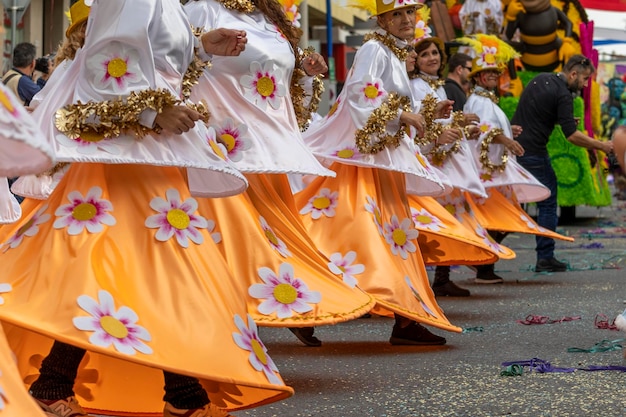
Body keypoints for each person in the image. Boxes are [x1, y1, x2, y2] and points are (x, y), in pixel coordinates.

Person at [0, 2, 295, 417]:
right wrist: (155, 113)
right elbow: (104, 64)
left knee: (131, 269)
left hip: (148, 156)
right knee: (160, 266)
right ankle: (180, 395)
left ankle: (60, 384)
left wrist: (200, 47)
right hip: (129, 159)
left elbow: (151, 59)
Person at [182, 0, 375, 348]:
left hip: (265, 152)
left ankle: (282, 306)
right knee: (233, 239)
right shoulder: (202, 10)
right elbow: (177, 66)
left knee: (271, 238)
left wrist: (303, 68)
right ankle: (230, 329)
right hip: (221, 150)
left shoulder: (267, 17)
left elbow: (278, 83)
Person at [299, 0, 462, 346]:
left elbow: (392, 100)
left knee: (394, 239)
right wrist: (404, 116)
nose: (406, 20)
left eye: (410, 13)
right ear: (383, 20)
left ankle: (405, 320)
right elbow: (360, 96)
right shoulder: (375, 49)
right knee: (353, 239)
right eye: (397, 14)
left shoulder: (393, 52)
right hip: (364, 164)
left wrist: (428, 110)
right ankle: (307, 307)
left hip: (384, 161)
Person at [408, 19, 515, 295]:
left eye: (434, 53)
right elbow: (417, 122)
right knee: (423, 223)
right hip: (428, 163)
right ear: (416, 60)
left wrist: (461, 124)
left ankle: (441, 278)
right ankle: (416, 280)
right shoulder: (416, 87)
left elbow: (441, 119)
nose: (431, 58)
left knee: (450, 220)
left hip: (447, 164)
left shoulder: (439, 87)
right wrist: (439, 136)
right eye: (424, 54)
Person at [461, 34, 575, 280]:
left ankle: (483, 263)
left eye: (495, 72)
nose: (493, 76)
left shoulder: (484, 99)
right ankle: (482, 262)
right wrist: (507, 140)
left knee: (504, 216)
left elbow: (487, 127)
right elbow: (483, 131)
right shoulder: (480, 100)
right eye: (487, 73)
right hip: (490, 171)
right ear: (478, 77)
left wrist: (508, 132)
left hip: (493, 169)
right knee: (503, 217)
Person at [512, 54, 613, 272]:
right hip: (534, 153)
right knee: (547, 203)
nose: (585, 85)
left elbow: (539, 112)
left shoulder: (541, 79)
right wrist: (601, 145)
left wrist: (561, 118)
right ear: (573, 73)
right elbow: (572, 136)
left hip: (516, 149)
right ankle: (545, 257)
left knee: (513, 203)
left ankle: (488, 257)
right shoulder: (563, 94)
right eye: (585, 79)